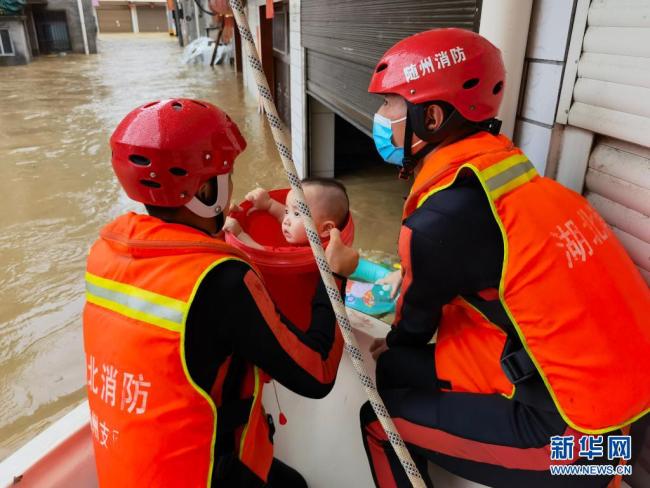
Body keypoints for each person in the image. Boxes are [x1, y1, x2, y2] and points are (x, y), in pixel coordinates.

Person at [359, 28, 650, 488]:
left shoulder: (436, 224)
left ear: (430, 117)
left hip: (580, 452)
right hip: (617, 426)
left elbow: (412, 330)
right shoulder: (529, 188)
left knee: (377, 420)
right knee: (393, 369)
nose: (380, 115)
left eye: (391, 103)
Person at [82, 99, 358, 487]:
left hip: (130, 469)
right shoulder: (220, 277)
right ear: (207, 188)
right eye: (225, 171)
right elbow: (318, 373)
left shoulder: (105, 253)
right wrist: (336, 276)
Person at [224, 178, 350, 249]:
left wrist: (239, 233)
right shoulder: (328, 239)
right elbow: (284, 215)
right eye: (286, 211)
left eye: (296, 214)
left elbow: (263, 252)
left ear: (326, 228)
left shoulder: (314, 252)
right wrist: (269, 204)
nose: (286, 220)